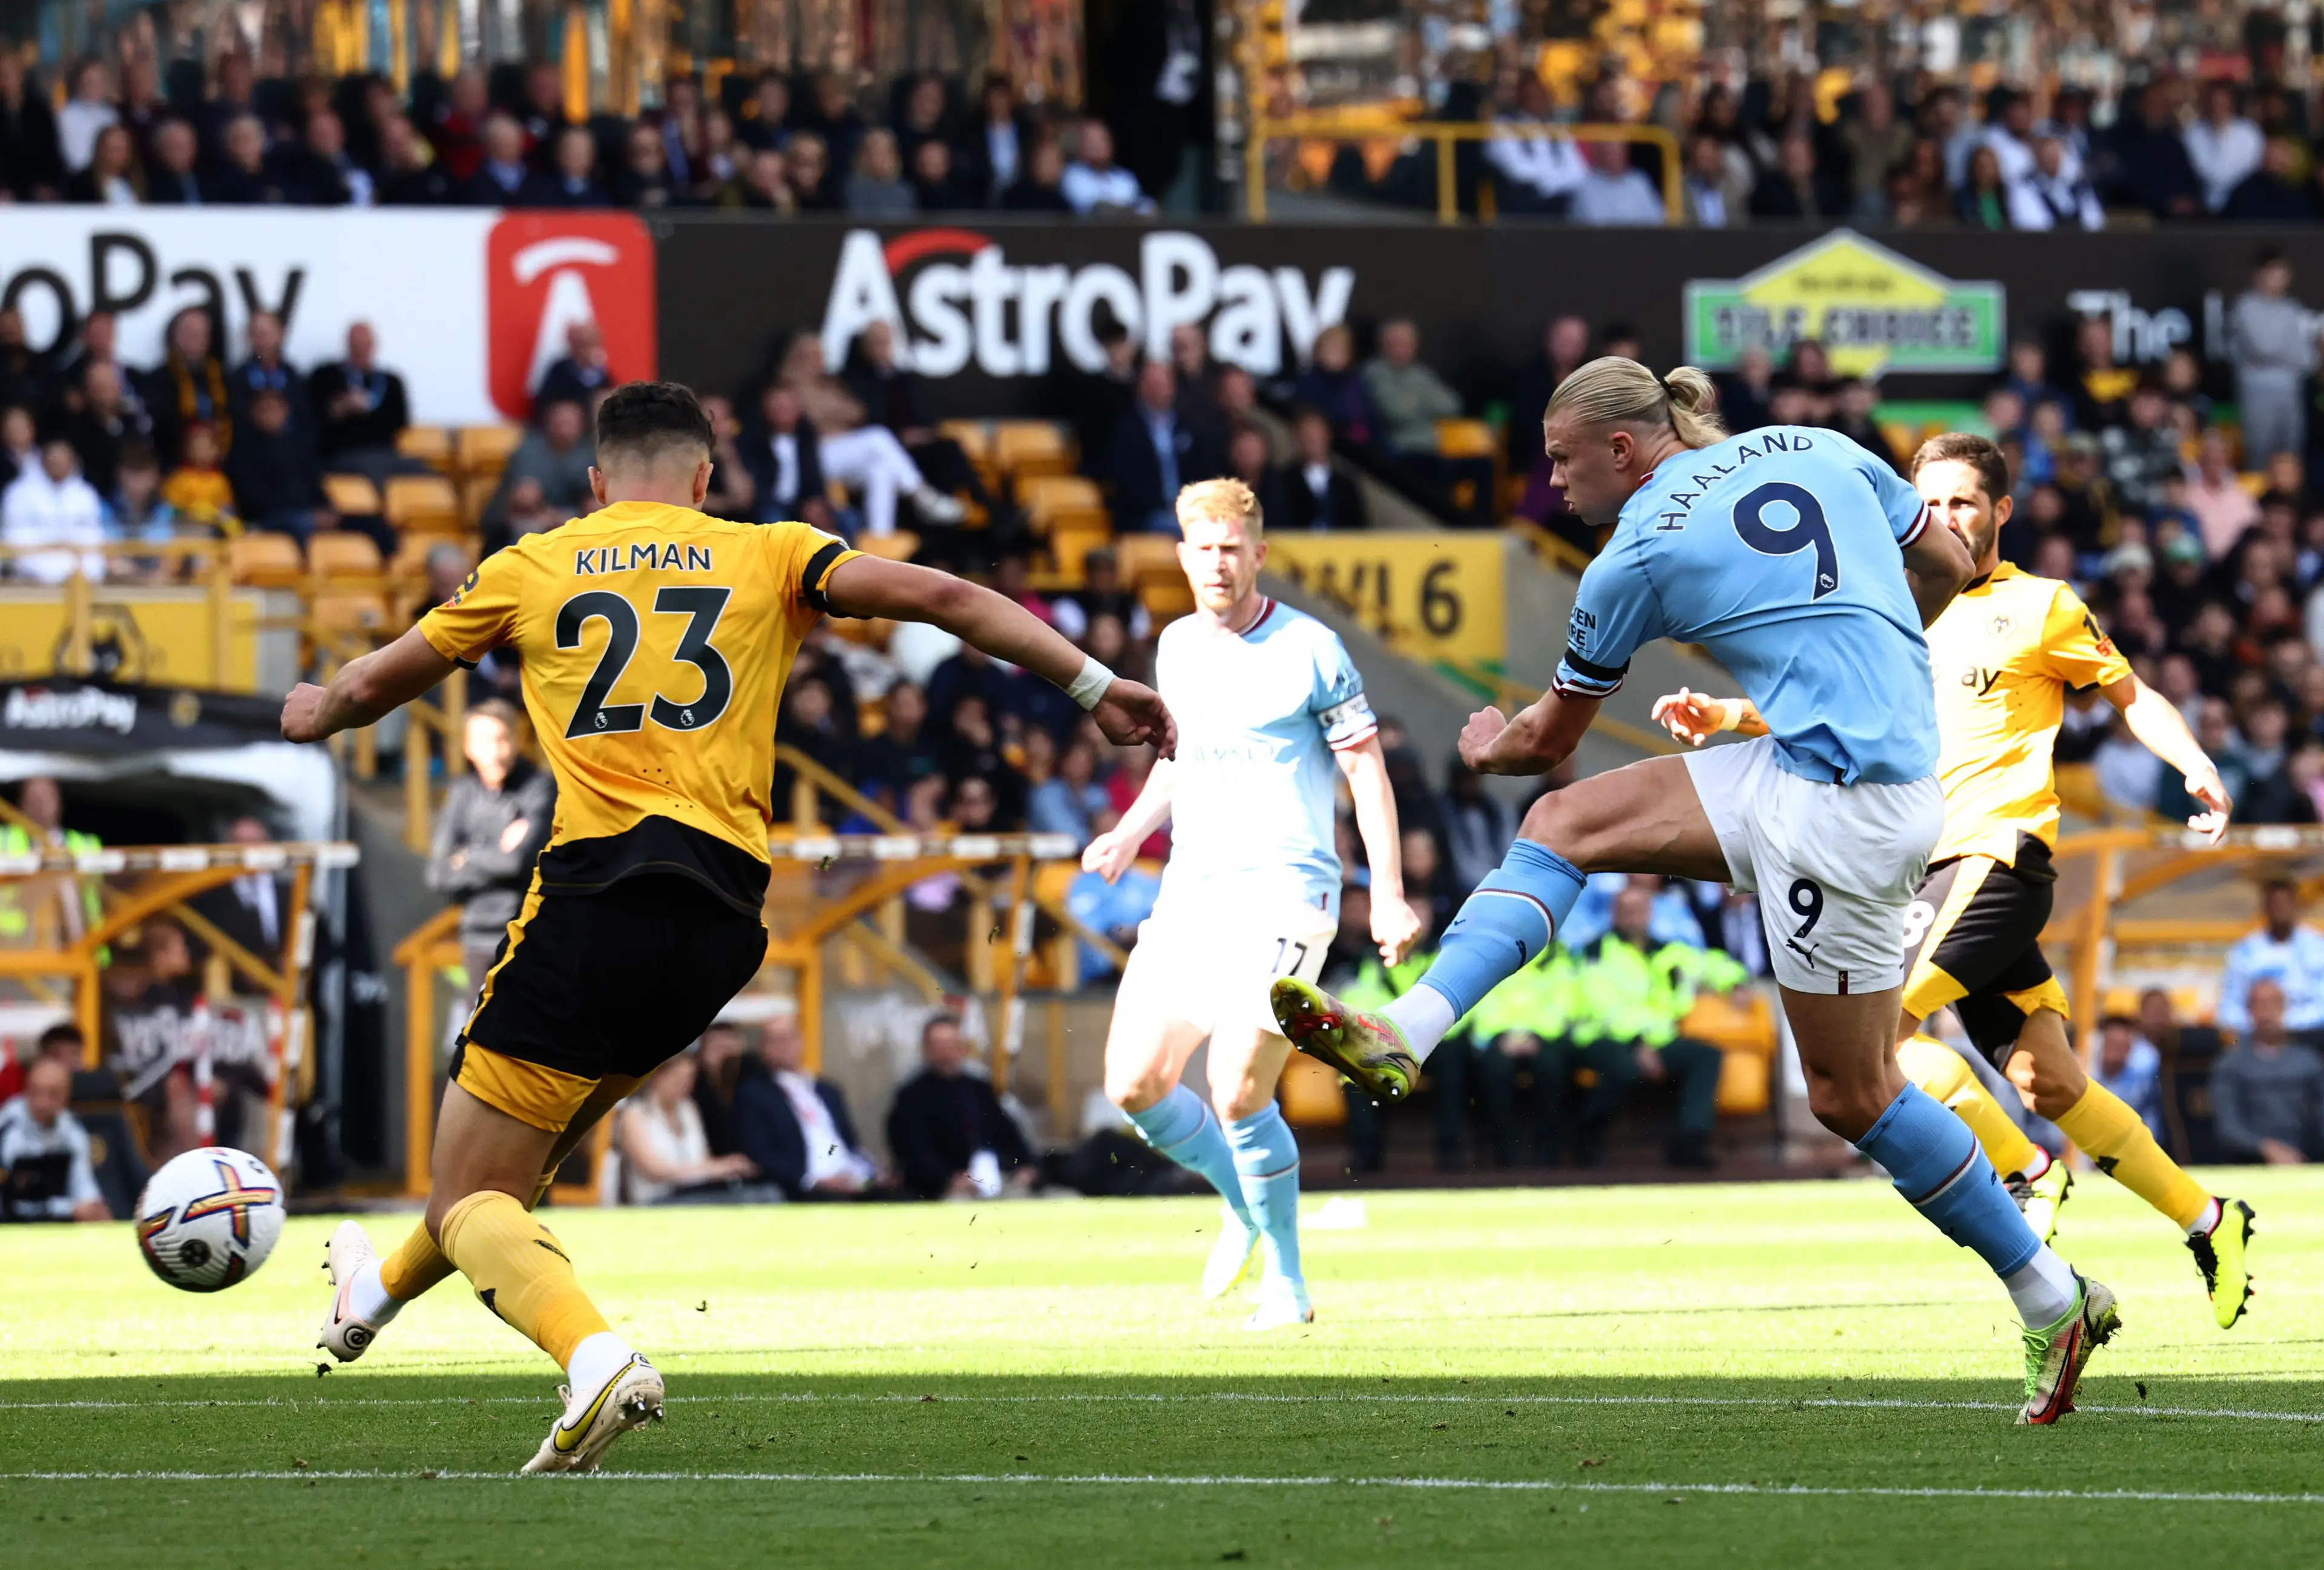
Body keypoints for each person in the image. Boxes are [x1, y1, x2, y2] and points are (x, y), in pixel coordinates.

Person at [287, 379, 1170, 1471]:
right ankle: (366, 1302)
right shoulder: (772, 550)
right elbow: (944, 595)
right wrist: (1093, 685)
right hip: (719, 926)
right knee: (504, 1173)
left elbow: (376, 683)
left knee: (471, 1192)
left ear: (596, 481)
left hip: (597, 896)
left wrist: (316, 709)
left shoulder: (532, 564)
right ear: (705, 478)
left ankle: (597, 1358)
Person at [1270, 356, 2112, 1424]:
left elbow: (1545, 740)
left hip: (1840, 810)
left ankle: (2051, 1293)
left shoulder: (1634, 555)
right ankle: (1408, 1027)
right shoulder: (1820, 447)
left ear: (1623, 449)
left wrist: (1483, 745)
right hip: (1831, 766)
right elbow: (1945, 564)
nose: (1553, 484)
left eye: (1564, 461)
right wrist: (1867, 660)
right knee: (1564, 827)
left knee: (1854, 1094)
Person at [1654, 431, 2252, 1332]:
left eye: (1963, 501)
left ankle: (2026, 1172)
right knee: (2047, 1081)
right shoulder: (1893, 607)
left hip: (1995, 859)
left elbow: (2131, 694)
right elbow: (1829, 709)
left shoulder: (2042, 607)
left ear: (2001, 510)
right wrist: (1729, 711)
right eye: (1928, 502)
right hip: (1923, 871)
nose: (1944, 517)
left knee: (1871, 1047)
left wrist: (2195, 762)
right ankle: (2209, 1219)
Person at [1082, 478, 1418, 1330]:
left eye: (1233, 548)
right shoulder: (1175, 646)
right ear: (1182, 555)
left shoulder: (1312, 648)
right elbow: (1180, 757)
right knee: (1134, 1083)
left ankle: (1288, 1284)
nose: (1219, 563)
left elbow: (1365, 770)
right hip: (1193, 894)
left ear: (1259, 553)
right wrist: (1127, 832)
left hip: (1288, 896)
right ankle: (1242, 1200)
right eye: (1204, 549)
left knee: (1236, 1090)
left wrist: (1386, 894)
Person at [427, 700, 557, 1005]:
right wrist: (493, 852)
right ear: (468, 747)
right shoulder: (463, 793)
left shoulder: (539, 788)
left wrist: (465, 857)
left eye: (502, 740)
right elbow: (437, 874)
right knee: (478, 1025)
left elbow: (517, 862)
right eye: (485, 741)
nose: (496, 752)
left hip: (528, 934)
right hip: (475, 936)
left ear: (516, 741)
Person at [885, 1013, 1039, 1198]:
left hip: (997, 1178)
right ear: (926, 1048)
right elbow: (914, 1153)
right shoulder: (911, 1096)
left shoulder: (979, 1089)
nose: (945, 1051)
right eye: (938, 1045)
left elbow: (1007, 1132)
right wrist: (949, 1178)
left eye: (951, 1044)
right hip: (945, 1188)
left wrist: (1024, 1166)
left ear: (962, 1047)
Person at [730, 1011, 878, 1198]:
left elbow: (850, 1143)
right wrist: (813, 1180)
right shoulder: (753, 1094)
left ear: (801, 1041)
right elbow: (761, 1154)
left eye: (790, 1038)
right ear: (763, 1048)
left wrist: (874, 1171)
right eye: (776, 1040)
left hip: (853, 1178)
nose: (785, 1046)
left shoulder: (827, 1091)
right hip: (806, 1187)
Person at [617, 1056, 761, 1203]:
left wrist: (728, 1165)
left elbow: (704, 1160)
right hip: (656, 1200)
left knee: (757, 1196)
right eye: (678, 1079)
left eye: (690, 1080)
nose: (686, 1086)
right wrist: (718, 1168)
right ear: (660, 1076)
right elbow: (653, 1170)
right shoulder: (635, 1113)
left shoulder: (689, 1109)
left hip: (697, 1195)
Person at [2211, 978, 2324, 1164]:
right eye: (2259, 1004)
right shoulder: (2230, 1065)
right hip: (2250, 1163)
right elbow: (2228, 1127)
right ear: (2249, 1010)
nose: (2267, 1011)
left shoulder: (2309, 1062)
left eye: (2274, 1003)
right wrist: (2266, 1148)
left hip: (2306, 1160)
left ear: (2285, 1008)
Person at [2231, 251, 2317, 469]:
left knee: (2291, 454)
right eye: (2273, 273)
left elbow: (2308, 358)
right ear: (2258, 275)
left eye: (2282, 273)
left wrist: (2289, 353)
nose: (2278, 279)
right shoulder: (2246, 306)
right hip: (2259, 392)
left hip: (2291, 392)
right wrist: (2290, 352)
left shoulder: (2293, 308)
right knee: (2259, 454)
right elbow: (2263, 347)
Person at [0, 1058, 110, 1222]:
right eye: (36, 1092)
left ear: (66, 1096)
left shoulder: (73, 1130)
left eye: (52, 1094)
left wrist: (93, 1207)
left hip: (57, 1224)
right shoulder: (8, 1128)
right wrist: (70, 1209)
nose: (42, 1103)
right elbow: (11, 1203)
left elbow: (83, 1184)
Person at [2215, 878, 2324, 1039]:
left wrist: (2284, 1025)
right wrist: (2262, 1026)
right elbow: (2230, 1006)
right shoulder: (2246, 951)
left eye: (2285, 903)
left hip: (2310, 1037)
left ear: (2296, 906)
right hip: (2256, 1038)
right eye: (2275, 904)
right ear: (2265, 908)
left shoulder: (2318, 947)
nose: (2280, 910)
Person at [2, 436, 107, 583]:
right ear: (43, 460)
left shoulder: (86, 494)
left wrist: (79, 568)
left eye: (63, 461)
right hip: (33, 575)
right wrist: (53, 567)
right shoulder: (19, 493)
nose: (58, 465)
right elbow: (16, 539)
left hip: (80, 574)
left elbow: (93, 538)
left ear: (72, 462)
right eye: (54, 461)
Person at [2093, 1015, 2166, 1143]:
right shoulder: (2088, 1076)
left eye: (2121, 1046)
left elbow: (2150, 1121)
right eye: (2111, 1044)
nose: (2115, 1052)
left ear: (2129, 1049)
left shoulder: (2141, 1082)